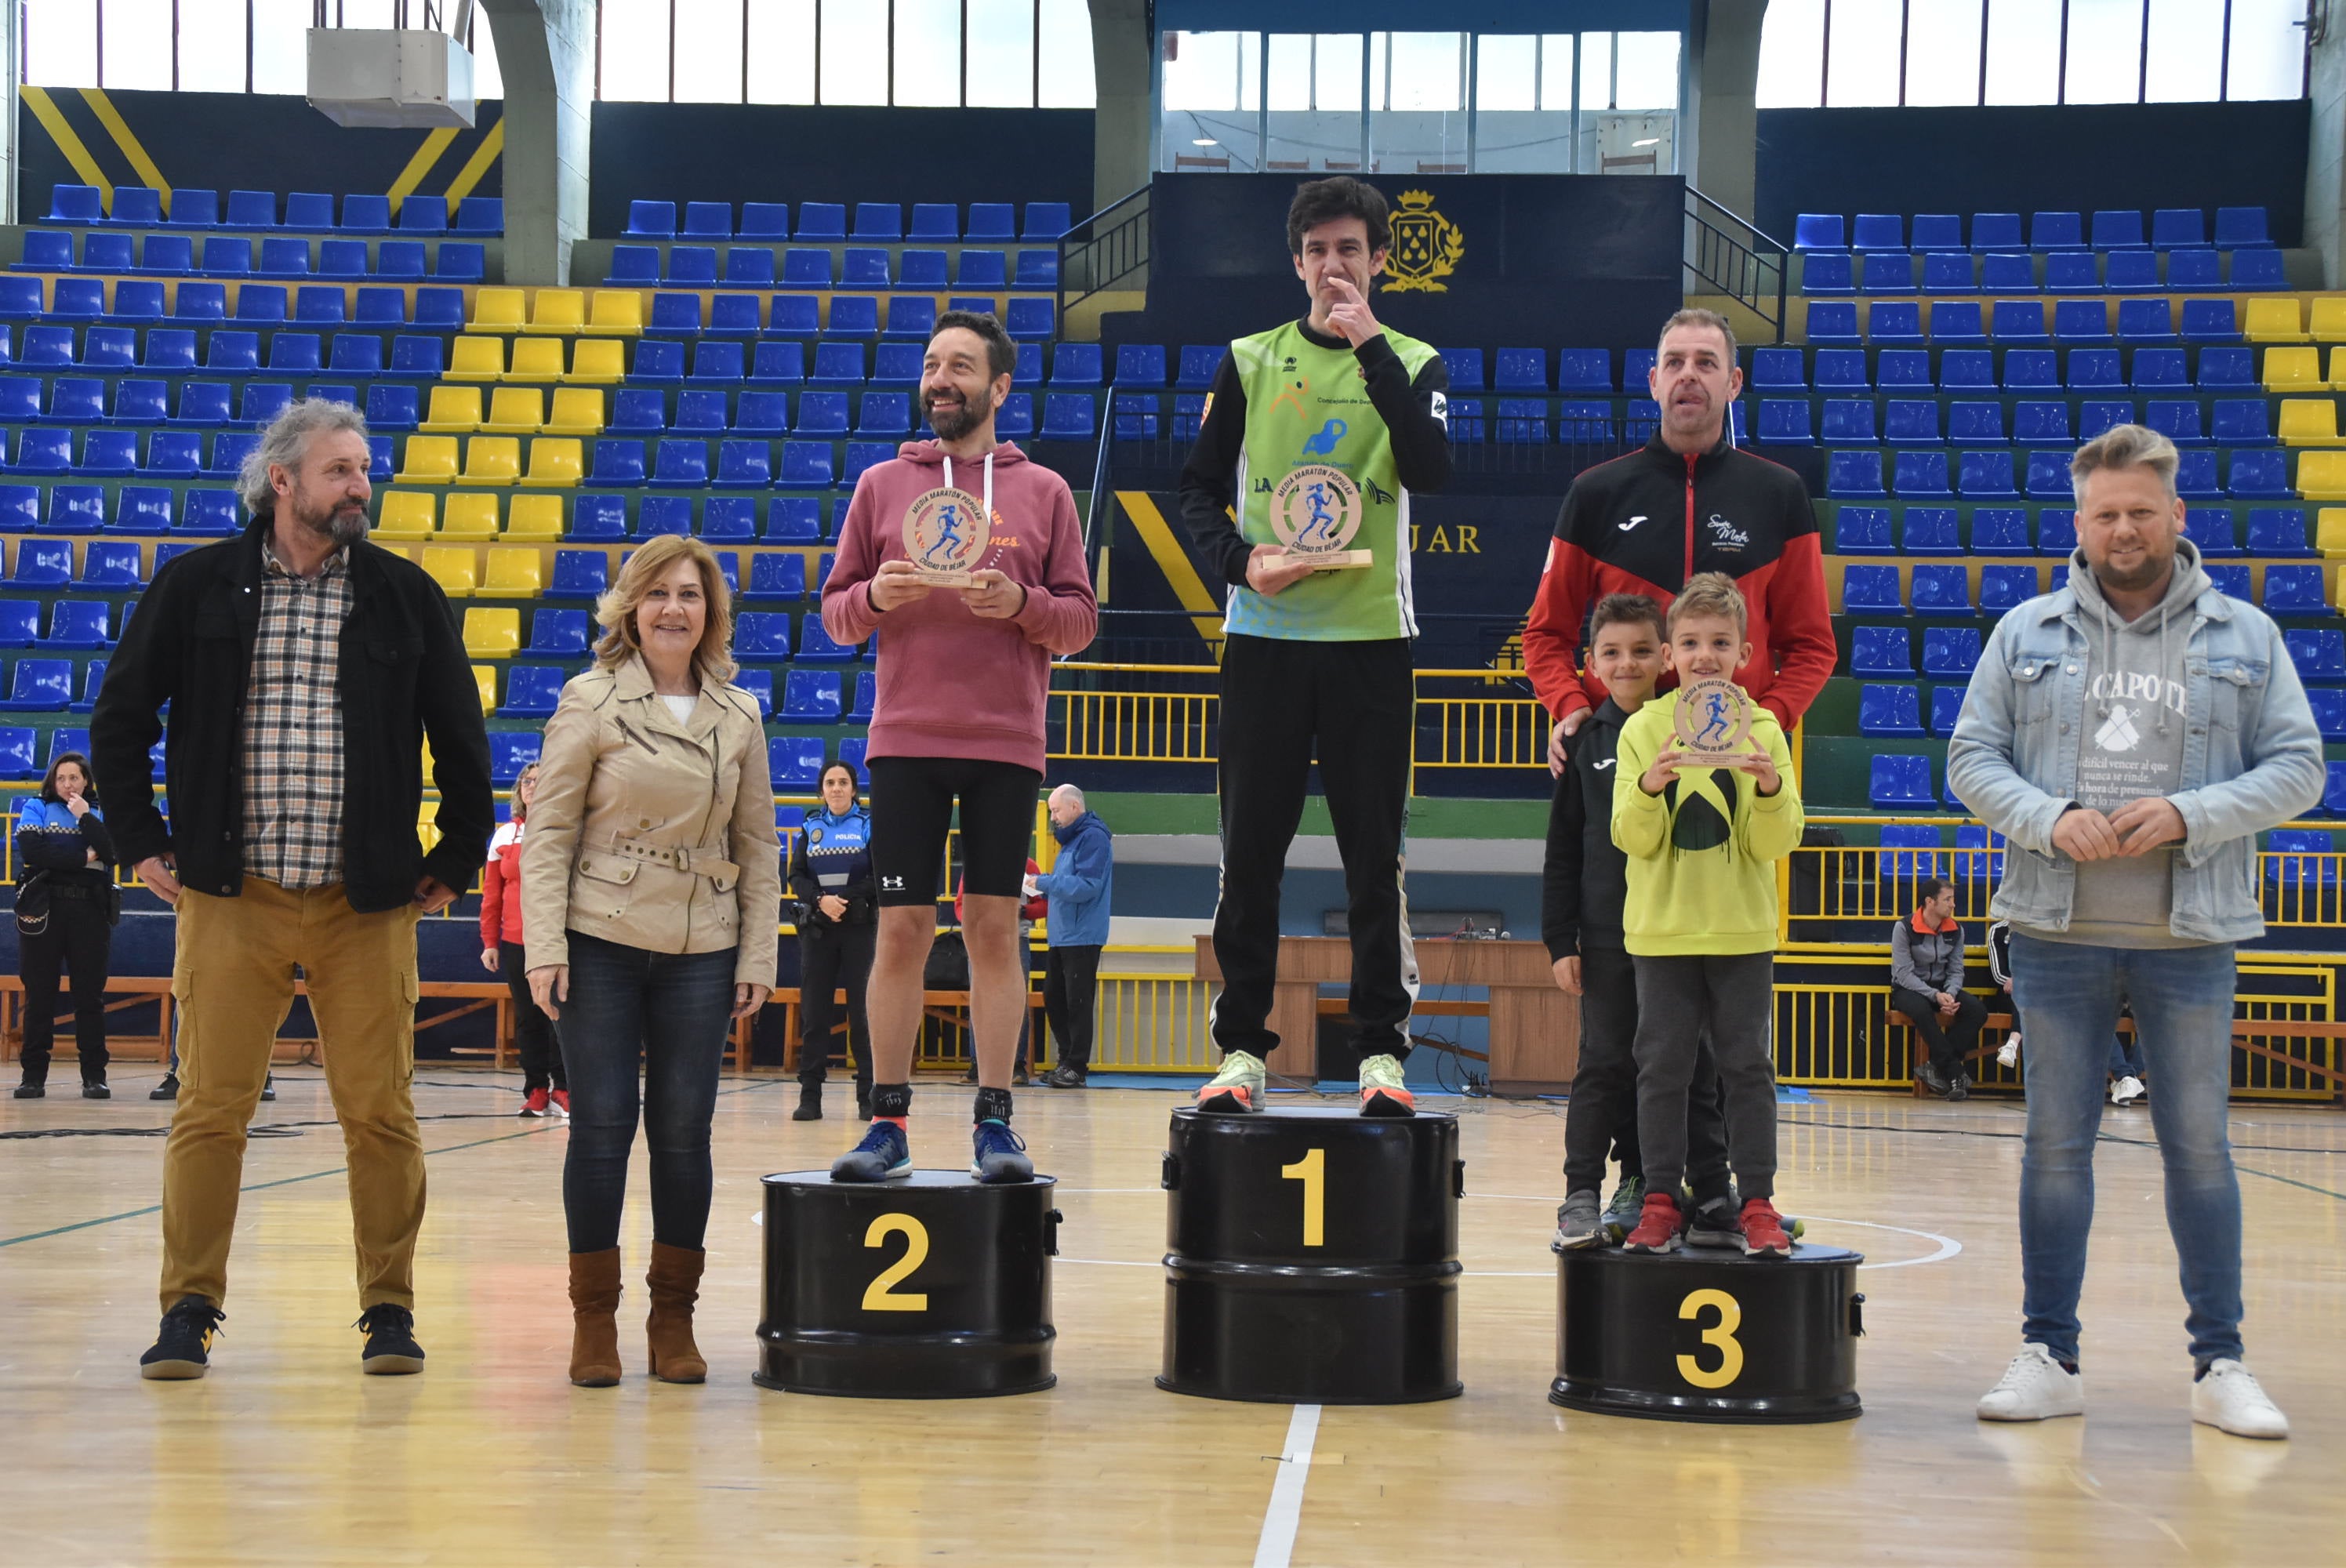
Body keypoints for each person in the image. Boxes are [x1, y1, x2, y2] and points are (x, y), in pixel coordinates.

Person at [92, 397, 493, 1381]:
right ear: (283, 481)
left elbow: (462, 739)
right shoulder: (196, 587)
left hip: (368, 902)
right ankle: (189, 1307)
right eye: (341, 471)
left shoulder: (404, 592)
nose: (362, 485)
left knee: (382, 1112)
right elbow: (120, 719)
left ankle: (389, 1308)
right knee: (209, 1109)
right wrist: (141, 840)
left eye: (364, 469)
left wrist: (454, 856)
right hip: (233, 895)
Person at [1951, 424, 2323, 1439]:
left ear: (2176, 517)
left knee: (2200, 1151)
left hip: (2191, 938)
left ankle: (2220, 1364)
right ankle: (2049, 1354)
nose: (2124, 529)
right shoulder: (2025, 632)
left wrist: (2193, 813)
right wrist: (2047, 818)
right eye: (2106, 513)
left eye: (2141, 512)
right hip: (2056, 931)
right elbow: (1971, 758)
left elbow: (2301, 765)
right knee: (2053, 1150)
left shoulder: (2247, 636)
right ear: (2080, 522)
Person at [1177, 176, 1451, 1118]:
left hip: (1373, 643)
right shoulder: (1249, 360)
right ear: (1294, 262)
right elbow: (1192, 491)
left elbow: (1431, 466)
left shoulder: (1413, 358)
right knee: (1249, 857)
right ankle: (1241, 1052)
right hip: (1264, 643)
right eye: (1316, 250)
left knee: (1373, 859)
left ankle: (1380, 1052)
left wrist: (1369, 341)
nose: (1333, 265)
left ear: (1379, 259)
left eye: (1350, 249)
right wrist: (1243, 563)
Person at [820, 310, 1096, 1185]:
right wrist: (875, 596)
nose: (942, 379)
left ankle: (995, 1122)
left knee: (992, 929)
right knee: (899, 929)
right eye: (933, 363)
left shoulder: (1044, 491)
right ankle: (886, 1120)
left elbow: (1080, 622)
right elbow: (834, 617)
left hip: (1006, 744)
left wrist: (1021, 606)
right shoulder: (879, 485)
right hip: (904, 739)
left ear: (999, 387)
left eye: (962, 367)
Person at [521, 533, 779, 1388]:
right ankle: (592, 1321)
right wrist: (545, 947)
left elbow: (756, 842)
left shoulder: (740, 713)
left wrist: (757, 951)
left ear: (712, 612)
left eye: (691, 594)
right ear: (630, 606)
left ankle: (674, 1317)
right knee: (599, 1131)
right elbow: (549, 832)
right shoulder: (588, 699)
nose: (675, 607)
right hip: (597, 938)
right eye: (659, 592)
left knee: (682, 1134)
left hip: (701, 945)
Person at [1522, 308, 1836, 768]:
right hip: (1621, 747)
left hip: (1738, 751)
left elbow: (1812, 645)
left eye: (1706, 363)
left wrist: (1768, 719)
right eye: (1674, 363)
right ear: (1654, 382)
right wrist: (1572, 706)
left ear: (1734, 383)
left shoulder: (1780, 493)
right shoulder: (1595, 492)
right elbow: (1546, 633)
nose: (1688, 375)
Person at [1611, 575, 1805, 1258]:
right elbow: (1631, 839)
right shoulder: (1643, 730)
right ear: (1669, 653)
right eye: (1690, 642)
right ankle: (1661, 1200)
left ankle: (1757, 1203)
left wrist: (1771, 786)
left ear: (1745, 652)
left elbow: (1776, 844)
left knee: (1748, 1067)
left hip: (1743, 931)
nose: (1704, 656)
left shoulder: (1764, 732)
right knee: (1661, 1068)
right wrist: (1648, 787)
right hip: (1662, 934)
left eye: (1720, 642)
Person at [1543, 596, 1737, 1250]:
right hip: (1605, 935)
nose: (1628, 664)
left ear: (1665, 657)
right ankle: (1578, 1195)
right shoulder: (1581, 741)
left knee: (1687, 1065)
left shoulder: (1703, 730)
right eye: (1612, 653)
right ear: (1591, 664)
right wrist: (1558, 940)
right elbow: (1564, 850)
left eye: (1642, 651)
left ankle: (1667, 1186)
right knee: (1603, 1061)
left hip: (1680, 931)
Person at [13, 752, 118, 1100]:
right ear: (52, 781)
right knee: (39, 993)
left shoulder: (99, 811)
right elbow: (33, 852)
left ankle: (94, 1076)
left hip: (89, 911)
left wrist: (86, 819)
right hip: (44, 910)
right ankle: (33, 1076)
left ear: (86, 780)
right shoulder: (36, 807)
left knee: (89, 996)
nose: (67, 785)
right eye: (61, 779)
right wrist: (84, 856)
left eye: (74, 778)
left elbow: (113, 851)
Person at [787, 760, 877, 1122]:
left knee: (863, 1015)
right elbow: (796, 874)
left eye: (843, 782)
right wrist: (820, 899)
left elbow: (879, 874)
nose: (836, 788)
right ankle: (810, 1097)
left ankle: (867, 1098)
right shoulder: (811, 826)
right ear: (821, 790)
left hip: (858, 930)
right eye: (830, 782)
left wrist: (847, 900)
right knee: (815, 1015)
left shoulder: (869, 825)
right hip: (818, 931)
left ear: (854, 789)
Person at [481, 763, 568, 1118]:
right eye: (527, 781)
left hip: (559, 941)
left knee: (560, 1017)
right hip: (517, 941)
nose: (531, 786)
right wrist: (490, 941)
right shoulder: (503, 836)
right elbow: (491, 896)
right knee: (529, 1019)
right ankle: (535, 1090)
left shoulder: (567, 832)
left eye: (540, 781)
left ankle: (564, 1088)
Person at [1032, 784, 1113, 1088]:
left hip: (1082, 934)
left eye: (1056, 810)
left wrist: (1043, 882)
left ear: (1075, 808)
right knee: (1055, 997)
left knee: (1077, 1002)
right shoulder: (1072, 841)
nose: (1053, 817)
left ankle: (1076, 1065)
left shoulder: (1093, 837)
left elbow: (1087, 886)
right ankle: (1067, 1060)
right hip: (1064, 935)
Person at [1890, 877, 1988, 1102]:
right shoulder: (1904, 928)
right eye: (1948, 899)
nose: (1953, 904)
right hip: (1909, 988)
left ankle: (1934, 1066)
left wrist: (1950, 995)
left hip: (1943, 987)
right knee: (1922, 1011)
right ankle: (1955, 1072)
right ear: (1930, 902)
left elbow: (1956, 970)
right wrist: (1935, 995)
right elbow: (1904, 974)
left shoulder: (1956, 930)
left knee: (1977, 1011)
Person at [955, 865, 1042, 1086]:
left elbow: (1043, 905)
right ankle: (977, 1063)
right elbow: (960, 904)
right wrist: (974, 921)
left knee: (1016, 1001)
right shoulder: (974, 867)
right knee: (979, 1000)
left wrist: (1022, 912)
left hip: (1015, 940)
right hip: (979, 940)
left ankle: (1016, 1065)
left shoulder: (1028, 866)